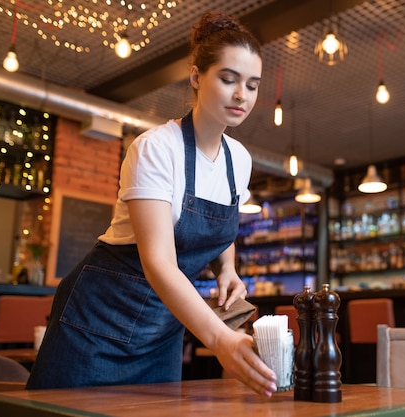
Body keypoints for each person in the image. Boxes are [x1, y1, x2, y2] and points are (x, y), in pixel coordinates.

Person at [27, 12, 277, 397]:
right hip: (97, 322)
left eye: (252, 85)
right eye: (228, 79)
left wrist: (226, 268)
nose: (241, 95)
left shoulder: (239, 160)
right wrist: (220, 340)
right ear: (196, 77)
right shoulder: (156, 149)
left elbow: (221, 226)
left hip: (163, 328)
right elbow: (158, 261)